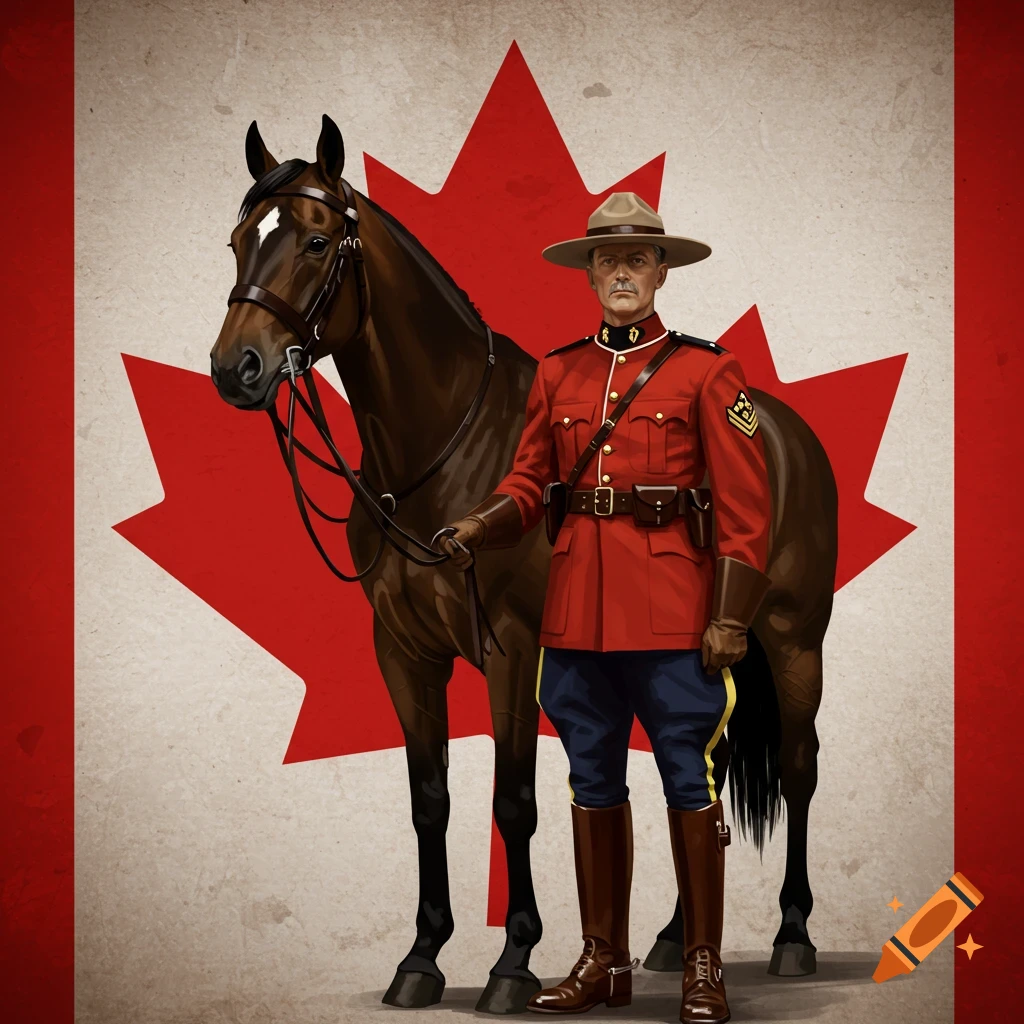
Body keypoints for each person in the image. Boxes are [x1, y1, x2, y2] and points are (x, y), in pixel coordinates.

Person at [439, 192, 772, 1024]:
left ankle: (702, 964)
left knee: (687, 785)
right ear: (589, 273)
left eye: (637, 259)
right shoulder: (558, 372)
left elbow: (745, 507)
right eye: (606, 259)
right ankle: (605, 960)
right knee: (591, 783)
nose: (621, 272)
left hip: (671, 613)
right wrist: (483, 521)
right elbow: (529, 480)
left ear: (662, 271)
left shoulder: (706, 370)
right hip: (577, 617)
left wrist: (730, 615)